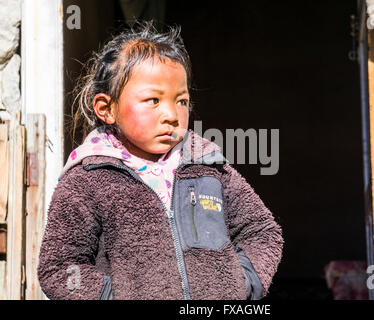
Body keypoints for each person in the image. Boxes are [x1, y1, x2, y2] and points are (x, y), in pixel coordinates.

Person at [37, 22, 283, 300]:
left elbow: (262, 231)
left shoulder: (208, 166)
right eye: (153, 100)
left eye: (181, 100)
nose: (171, 114)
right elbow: (58, 267)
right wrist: (111, 296)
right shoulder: (87, 180)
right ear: (107, 109)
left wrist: (243, 283)